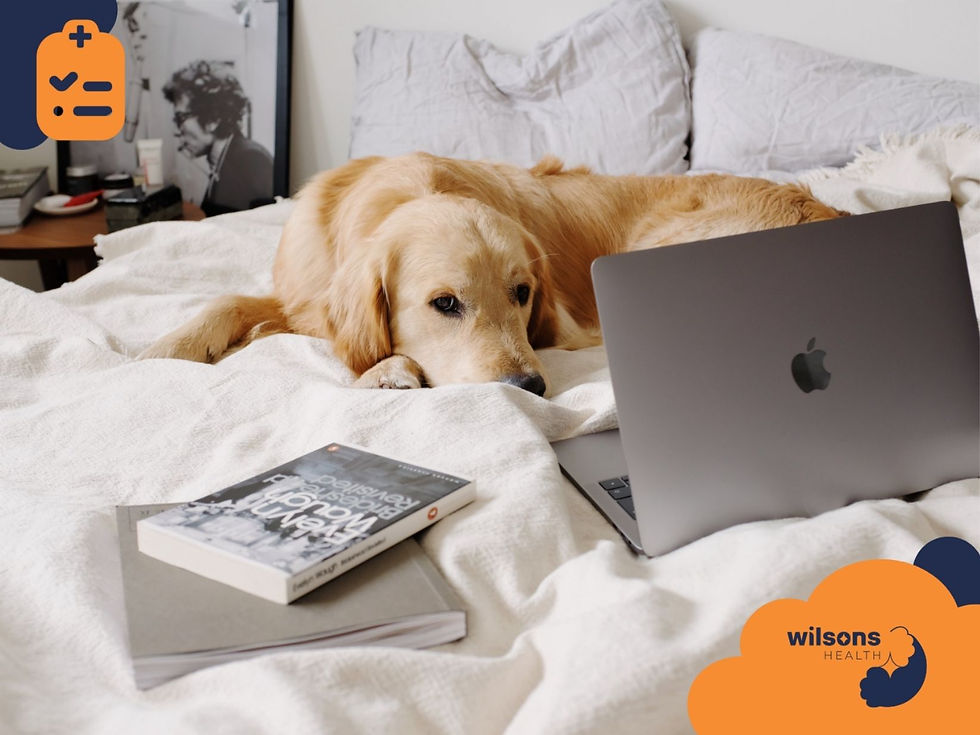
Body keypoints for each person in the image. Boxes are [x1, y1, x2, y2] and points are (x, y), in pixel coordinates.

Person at [162, 60, 273, 216]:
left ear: (213, 119)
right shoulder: (223, 162)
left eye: (181, 118)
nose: (176, 130)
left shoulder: (250, 159)